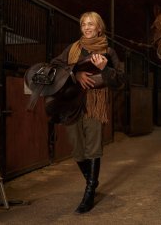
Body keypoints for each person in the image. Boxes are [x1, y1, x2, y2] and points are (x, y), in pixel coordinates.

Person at [50, 11, 125, 213]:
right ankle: (92, 180)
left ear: (99, 27)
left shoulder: (109, 51)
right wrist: (76, 73)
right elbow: (55, 66)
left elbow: (119, 80)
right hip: (71, 103)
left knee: (93, 147)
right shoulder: (73, 48)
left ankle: (89, 191)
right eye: (83, 24)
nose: (87, 27)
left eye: (91, 24)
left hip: (94, 103)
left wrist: (105, 68)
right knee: (76, 148)